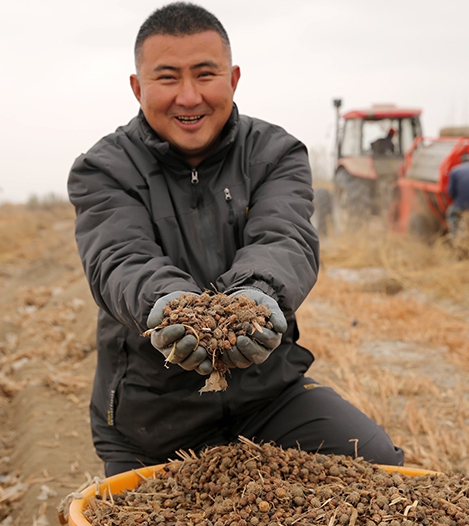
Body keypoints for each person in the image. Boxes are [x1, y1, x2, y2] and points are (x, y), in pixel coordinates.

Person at [67, 1, 404, 478]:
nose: (188, 97)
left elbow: (285, 237)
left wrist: (258, 296)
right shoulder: (103, 169)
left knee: (379, 469)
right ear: (137, 88)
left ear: (234, 78)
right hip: (153, 419)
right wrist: (171, 306)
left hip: (268, 398)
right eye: (167, 78)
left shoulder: (275, 153)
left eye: (206, 74)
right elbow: (119, 258)